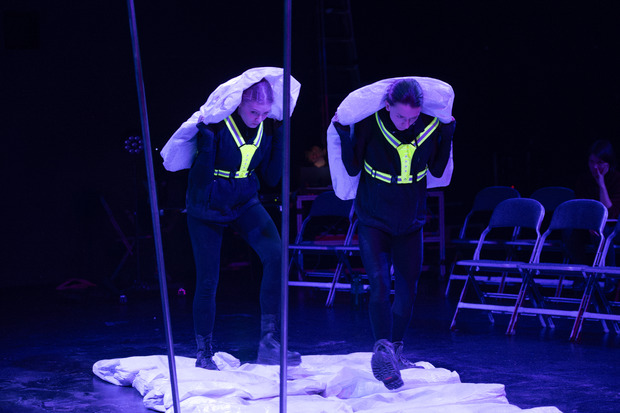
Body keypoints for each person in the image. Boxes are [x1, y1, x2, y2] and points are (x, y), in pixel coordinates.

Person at [165, 72, 301, 370]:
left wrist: (279, 141)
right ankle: (204, 351)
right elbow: (198, 182)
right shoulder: (217, 127)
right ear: (239, 104)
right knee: (208, 279)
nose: (258, 118)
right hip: (207, 203)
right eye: (254, 111)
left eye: (265, 113)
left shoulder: (266, 128)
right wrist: (207, 146)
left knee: (276, 256)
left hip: (244, 198)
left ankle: (269, 342)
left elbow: (272, 178)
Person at [332, 79, 455, 389]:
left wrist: (448, 133)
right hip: (374, 217)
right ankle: (382, 352)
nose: (406, 122)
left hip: (411, 220)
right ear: (387, 106)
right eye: (401, 116)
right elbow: (351, 167)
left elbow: (439, 171)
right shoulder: (372, 124)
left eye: (412, 117)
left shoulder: (428, 126)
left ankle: (395, 350)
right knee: (379, 283)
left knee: (408, 289)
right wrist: (345, 137)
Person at [573, 140, 620, 266]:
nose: (595, 167)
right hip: (589, 225)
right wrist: (589, 224)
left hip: (613, 227)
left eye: (599, 163)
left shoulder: (617, 179)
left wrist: (602, 185)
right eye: (591, 162)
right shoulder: (583, 179)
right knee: (569, 231)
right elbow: (580, 207)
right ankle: (581, 274)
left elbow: (610, 214)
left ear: (609, 163)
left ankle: (610, 278)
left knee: (602, 231)